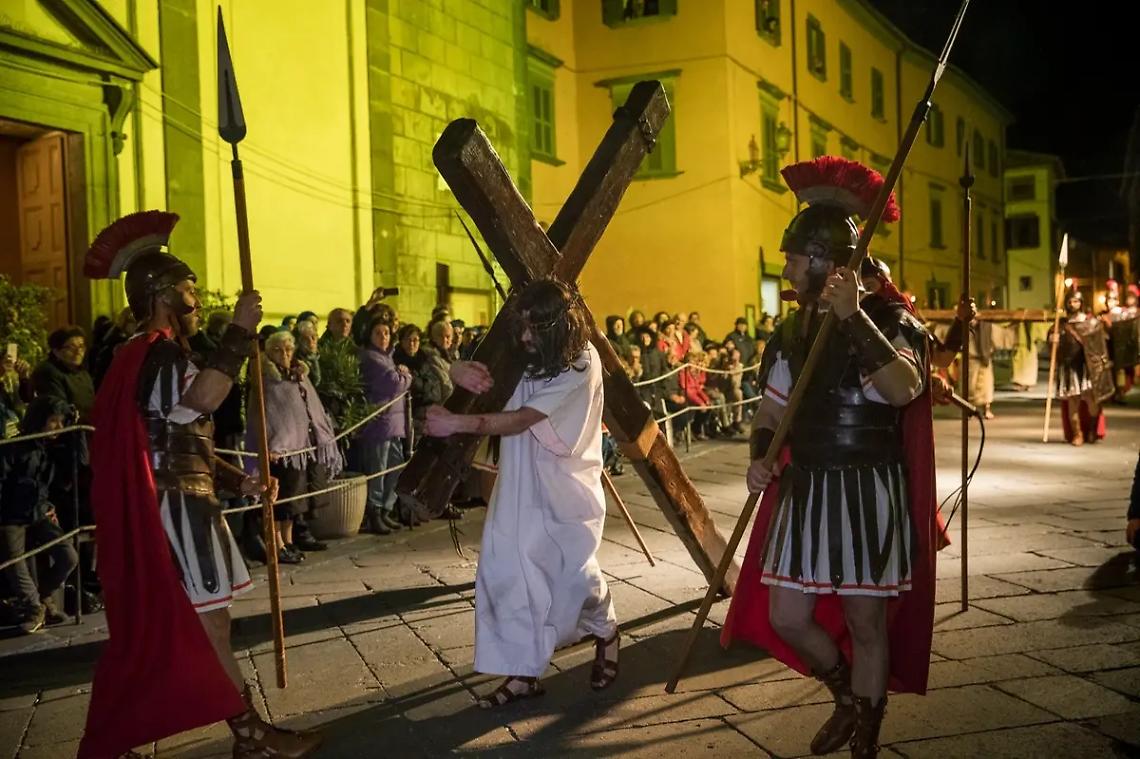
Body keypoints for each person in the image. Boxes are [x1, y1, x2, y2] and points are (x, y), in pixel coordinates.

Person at [77, 210, 319, 759]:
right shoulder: (154, 353)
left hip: (185, 497)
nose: (195, 293)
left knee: (198, 626)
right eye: (188, 285)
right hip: (177, 508)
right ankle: (251, 736)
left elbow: (177, 433)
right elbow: (202, 401)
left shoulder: (155, 354)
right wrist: (239, 329)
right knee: (206, 625)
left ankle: (241, 733)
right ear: (163, 293)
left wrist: (241, 479)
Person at [721, 157, 939, 759]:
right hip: (808, 486)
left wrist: (853, 319)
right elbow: (771, 413)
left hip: (868, 490)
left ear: (825, 261)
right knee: (790, 615)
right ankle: (844, 695)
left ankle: (867, 733)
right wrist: (761, 456)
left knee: (867, 625)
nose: (787, 271)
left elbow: (902, 390)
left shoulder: (895, 321)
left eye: (794, 260)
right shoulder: (790, 333)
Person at [424, 278, 620, 706]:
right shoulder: (524, 351)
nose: (526, 336)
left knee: (572, 575)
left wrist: (455, 424)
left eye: (536, 328)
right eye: (524, 326)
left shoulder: (581, 363)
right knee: (508, 571)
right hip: (518, 482)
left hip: (565, 484)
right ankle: (522, 674)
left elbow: (521, 419)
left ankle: (607, 632)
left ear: (560, 328)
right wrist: (458, 369)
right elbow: (482, 377)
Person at [250, 331, 343, 563]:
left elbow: (310, 407)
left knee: (293, 501)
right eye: (278, 350)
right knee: (277, 501)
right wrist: (267, 445)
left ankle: (289, 541)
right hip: (277, 450)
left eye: (288, 350)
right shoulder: (264, 378)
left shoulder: (298, 376)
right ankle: (277, 544)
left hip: (300, 449)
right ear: (268, 353)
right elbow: (260, 414)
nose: (284, 354)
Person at [0, 396, 79, 633]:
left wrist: (76, 433)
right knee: (14, 561)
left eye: (60, 422)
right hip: (10, 515)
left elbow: (78, 464)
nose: (58, 427)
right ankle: (32, 606)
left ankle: (42, 597)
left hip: (38, 511)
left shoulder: (50, 450)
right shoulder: (13, 448)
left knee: (68, 556)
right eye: (53, 421)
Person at [358, 314, 412, 534]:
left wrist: (402, 375)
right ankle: (375, 512)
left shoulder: (388, 357)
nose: (383, 337)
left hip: (395, 424)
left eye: (386, 333)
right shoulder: (371, 358)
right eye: (378, 333)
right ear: (370, 336)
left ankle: (386, 510)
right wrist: (408, 377)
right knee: (378, 472)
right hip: (380, 425)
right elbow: (394, 383)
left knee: (395, 468)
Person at [1049, 281, 1113, 445]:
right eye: (1070, 302)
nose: (1073, 304)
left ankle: (1091, 430)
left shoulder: (1091, 323)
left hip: (1087, 368)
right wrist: (1053, 340)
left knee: (1091, 401)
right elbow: (1052, 347)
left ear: (1081, 303)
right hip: (1069, 368)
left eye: (1076, 301)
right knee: (1073, 402)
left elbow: (1101, 344)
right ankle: (1078, 434)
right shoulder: (1060, 325)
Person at [32, 326, 95, 422]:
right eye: (71, 347)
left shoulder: (82, 372)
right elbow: (60, 409)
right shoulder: (48, 372)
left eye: (81, 346)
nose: (78, 352)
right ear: (56, 351)